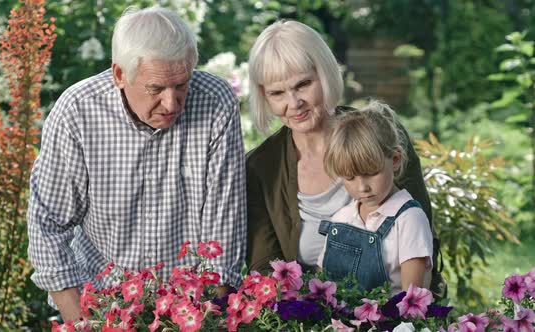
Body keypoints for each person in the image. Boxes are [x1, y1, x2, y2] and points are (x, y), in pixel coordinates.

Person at [27, 7, 246, 322]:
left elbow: (223, 233)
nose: (171, 104)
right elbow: (47, 226)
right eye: (155, 89)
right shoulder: (78, 112)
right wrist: (83, 325)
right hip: (102, 309)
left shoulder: (215, 102)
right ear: (119, 75)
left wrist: (205, 323)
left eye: (182, 84)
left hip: (189, 314)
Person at [245, 19, 445, 297]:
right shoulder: (260, 168)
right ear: (264, 97)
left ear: (324, 74)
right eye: (277, 93)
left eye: (303, 84)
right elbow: (265, 266)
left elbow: (420, 239)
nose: (293, 103)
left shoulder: (379, 134)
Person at [317, 101, 433, 294]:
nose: (362, 187)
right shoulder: (341, 220)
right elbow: (322, 286)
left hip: (393, 323)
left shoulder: (408, 219)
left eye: (371, 173)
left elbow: (413, 301)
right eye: (350, 177)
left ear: (395, 160)